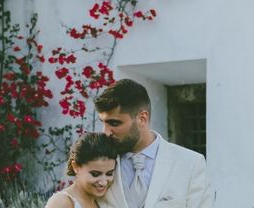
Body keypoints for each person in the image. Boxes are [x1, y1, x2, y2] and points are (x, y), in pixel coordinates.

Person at [94, 79, 213, 208]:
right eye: (103, 122)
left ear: (142, 118)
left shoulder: (191, 163)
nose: (106, 132)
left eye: (114, 123)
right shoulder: (96, 163)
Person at [45, 132, 120, 208]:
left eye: (109, 173)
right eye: (95, 174)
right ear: (75, 166)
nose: (103, 183)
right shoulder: (62, 202)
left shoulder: (102, 201)